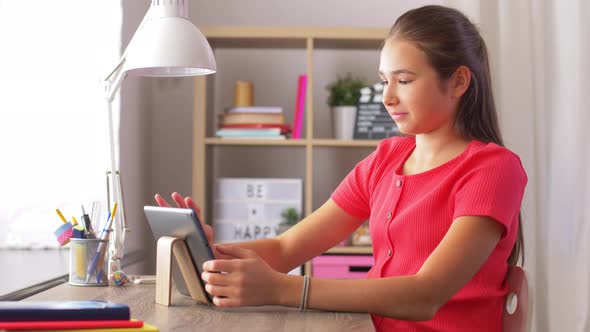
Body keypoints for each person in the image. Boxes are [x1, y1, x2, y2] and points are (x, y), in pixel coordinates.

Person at [155, 5, 527, 331]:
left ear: (459, 81)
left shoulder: (493, 169)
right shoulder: (386, 159)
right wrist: (206, 254)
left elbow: (425, 295)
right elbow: (288, 248)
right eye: (384, 81)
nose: (387, 97)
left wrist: (284, 289)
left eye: (405, 80)